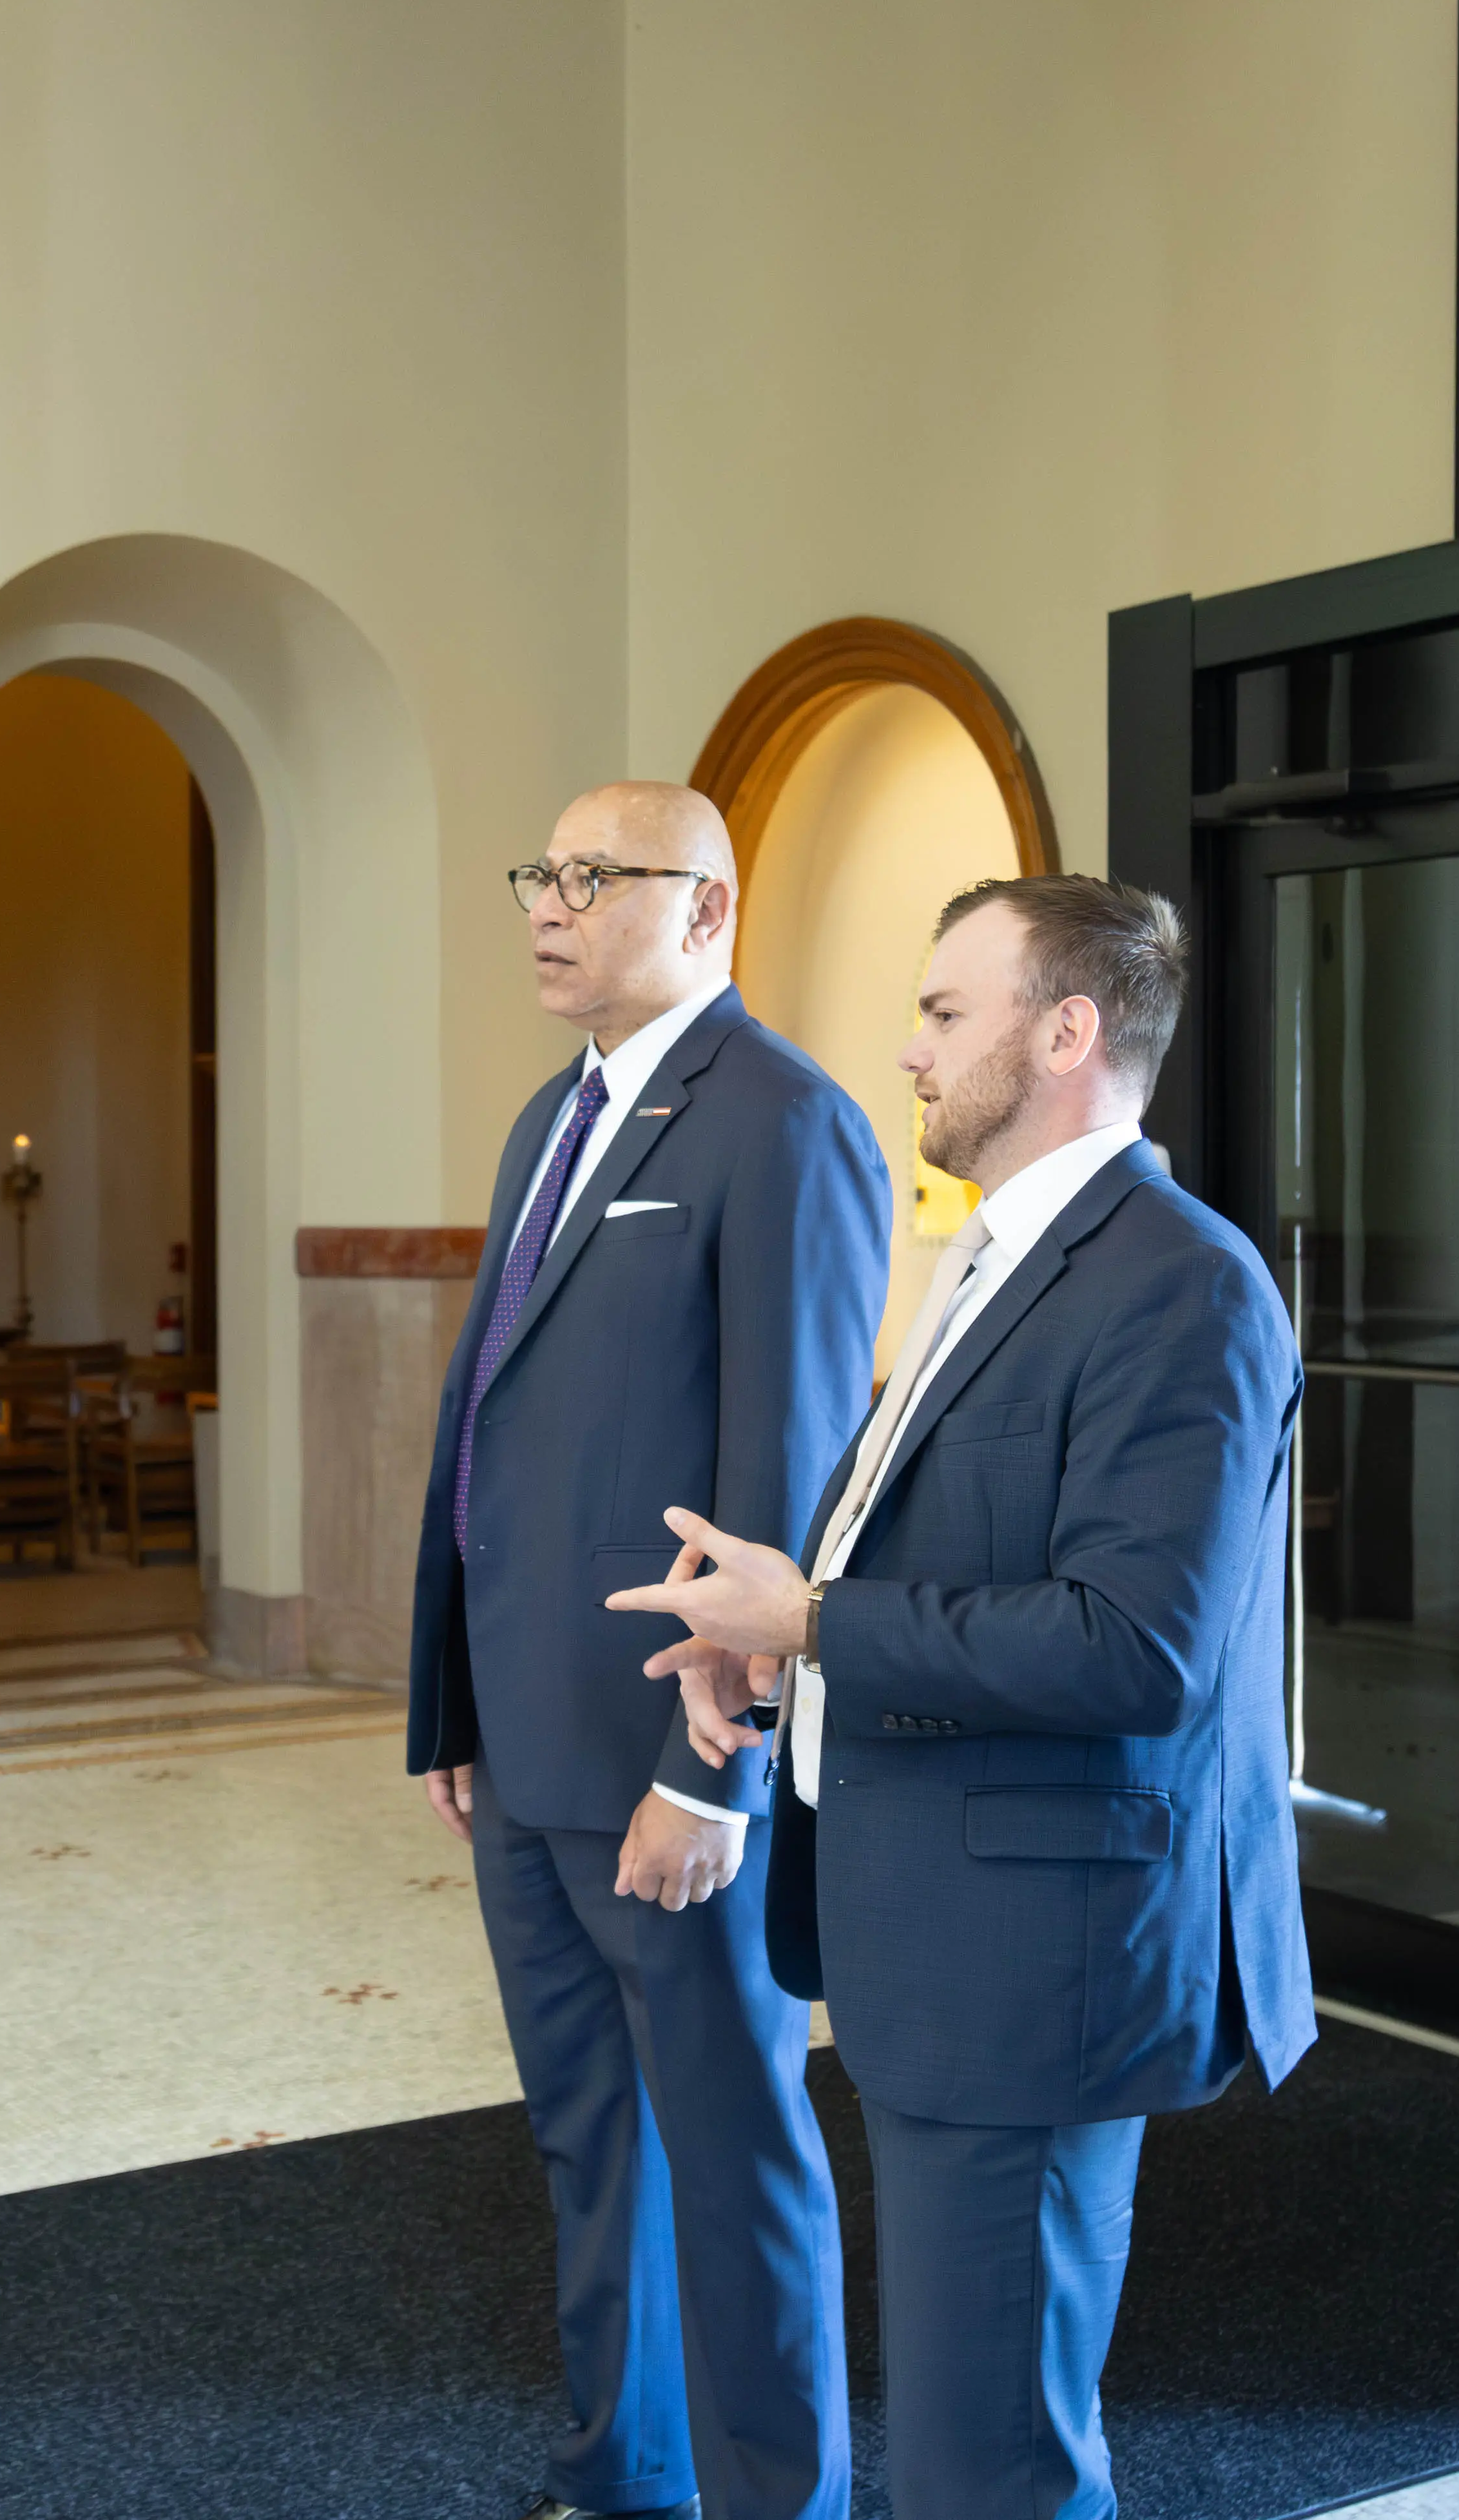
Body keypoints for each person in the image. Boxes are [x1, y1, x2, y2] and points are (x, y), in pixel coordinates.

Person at [608, 873, 1311, 2520]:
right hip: (947, 1933)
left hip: (1038, 1962)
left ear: (1065, 1031)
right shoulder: (999, 1253)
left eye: (943, 1010)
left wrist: (819, 1615)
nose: (909, 1048)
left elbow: (1132, 1647)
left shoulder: (1181, 1285)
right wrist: (774, 1652)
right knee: (959, 2443)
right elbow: (940, 1560)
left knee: (983, 2463)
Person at [407, 782, 888, 2520]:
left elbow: (787, 1490)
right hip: (529, 1747)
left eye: (593, 876)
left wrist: (720, 1772)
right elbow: (494, 1441)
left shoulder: (782, 1123)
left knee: (730, 2147)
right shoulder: (556, 1114)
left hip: (670, 1764)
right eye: (539, 869)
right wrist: (453, 1700)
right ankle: (629, 2475)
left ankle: (780, 2502)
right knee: (588, 2143)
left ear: (706, 908)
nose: (549, 902)